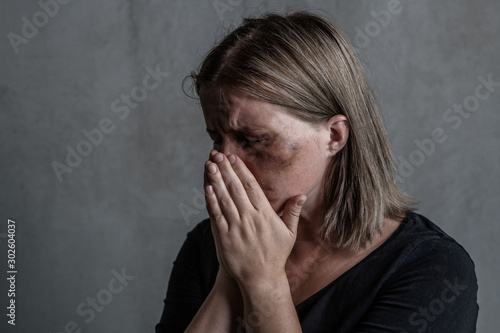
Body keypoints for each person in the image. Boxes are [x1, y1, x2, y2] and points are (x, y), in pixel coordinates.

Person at [156, 12, 478, 333]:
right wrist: (230, 276)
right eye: (216, 138)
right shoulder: (209, 245)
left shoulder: (434, 270)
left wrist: (264, 280)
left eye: (253, 140)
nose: (223, 162)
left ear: (334, 136)